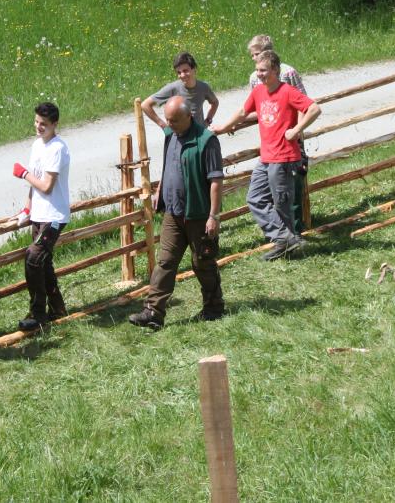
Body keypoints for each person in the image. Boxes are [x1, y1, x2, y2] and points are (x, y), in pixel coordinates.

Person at [212, 50, 321, 261]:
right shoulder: (259, 91)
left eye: (263, 70)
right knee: (254, 198)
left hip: (284, 157)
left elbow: (314, 109)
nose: (259, 74)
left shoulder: (287, 91)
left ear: (275, 70)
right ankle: (286, 238)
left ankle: (285, 246)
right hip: (267, 156)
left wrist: (296, 130)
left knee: (281, 204)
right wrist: (224, 127)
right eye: (257, 70)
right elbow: (243, 112)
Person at [129, 96, 225, 330]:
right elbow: (169, 166)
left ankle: (214, 306)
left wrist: (213, 216)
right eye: (168, 120)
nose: (169, 125)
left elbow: (216, 181)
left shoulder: (207, 140)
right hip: (174, 212)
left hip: (199, 213)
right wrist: (160, 192)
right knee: (165, 262)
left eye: (174, 121)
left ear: (189, 116)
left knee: (202, 261)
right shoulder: (171, 136)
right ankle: (153, 312)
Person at [12, 102, 71, 332]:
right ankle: (57, 308)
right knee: (43, 264)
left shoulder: (57, 148)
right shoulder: (37, 145)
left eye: (43, 124)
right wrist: (27, 208)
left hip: (53, 215)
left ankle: (38, 314)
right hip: (39, 212)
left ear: (55, 124)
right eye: (36, 122)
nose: (38, 127)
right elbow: (35, 184)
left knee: (33, 258)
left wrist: (23, 174)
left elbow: (46, 185)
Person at [246, 34, 309, 234]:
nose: (254, 58)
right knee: (270, 190)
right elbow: (259, 106)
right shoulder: (254, 78)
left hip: (290, 139)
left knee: (290, 185)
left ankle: (294, 230)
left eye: (256, 54)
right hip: (270, 141)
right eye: (253, 56)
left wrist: (297, 130)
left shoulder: (288, 73)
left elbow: (303, 102)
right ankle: (284, 236)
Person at [141, 52, 219, 129]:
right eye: (179, 72)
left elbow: (215, 102)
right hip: (179, 138)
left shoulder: (203, 87)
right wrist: (163, 125)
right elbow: (145, 105)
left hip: (199, 135)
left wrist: (208, 120)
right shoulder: (173, 88)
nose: (182, 75)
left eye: (185, 71)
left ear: (194, 69)